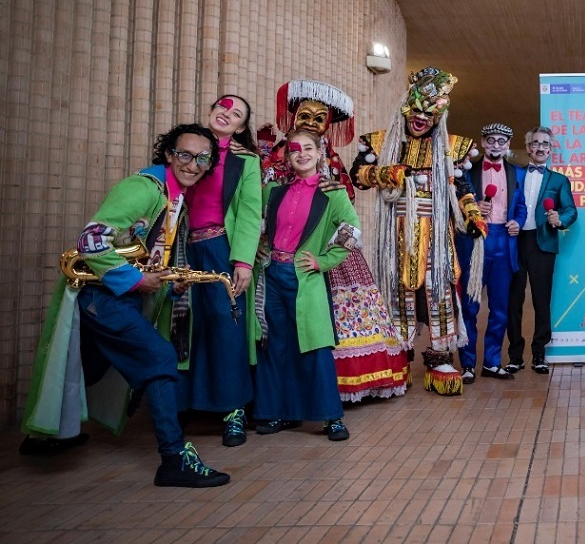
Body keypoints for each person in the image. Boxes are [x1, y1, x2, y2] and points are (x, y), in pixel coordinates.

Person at [21, 123, 231, 487]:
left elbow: (142, 252)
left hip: (115, 300)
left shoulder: (174, 196)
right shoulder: (142, 188)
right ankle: (173, 461)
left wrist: (168, 282)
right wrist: (135, 281)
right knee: (161, 358)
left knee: (89, 364)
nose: (193, 164)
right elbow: (91, 240)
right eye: (185, 154)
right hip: (103, 299)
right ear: (168, 154)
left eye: (202, 158)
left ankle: (43, 436)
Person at [265, 80, 408, 403]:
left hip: (320, 252)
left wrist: (326, 255)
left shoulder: (330, 166)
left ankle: (332, 391)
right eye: (306, 115)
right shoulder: (275, 157)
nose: (312, 124)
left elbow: (348, 214)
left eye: (320, 119)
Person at [352, 67, 485, 396]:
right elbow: (358, 175)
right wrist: (387, 173)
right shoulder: (383, 142)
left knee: (439, 293)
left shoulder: (452, 147)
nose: (421, 117)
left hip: (438, 237)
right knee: (398, 295)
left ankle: (440, 358)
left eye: (430, 112)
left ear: (439, 116)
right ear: (406, 106)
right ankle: (398, 356)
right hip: (396, 237)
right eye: (417, 110)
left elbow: (463, 189)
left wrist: (472, 216)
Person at [250, 129, 354, 441]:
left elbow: (352, 231)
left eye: (308, 148)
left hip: (305, 278)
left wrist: (324, 261)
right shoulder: (274, 192)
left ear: (320, 153)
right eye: (295, 149)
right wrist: (258, 251)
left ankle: (330, 417)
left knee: (315, 344)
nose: (301, 154)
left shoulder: (332, 193)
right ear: (286, 155)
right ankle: (280, 412)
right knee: (274, 344)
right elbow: (261, 229)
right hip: (271, 275)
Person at [181, 94, 261, 447]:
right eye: (222, 108)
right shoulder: (187, 148)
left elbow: (249, 212)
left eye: (237, 114)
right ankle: (184, 405)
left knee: (226, 328)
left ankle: (234, 411)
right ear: (211, 112)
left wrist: (242, 261)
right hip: (181, 247)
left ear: (242, 127)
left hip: (221, 248)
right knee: (183, 324)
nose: (227, 115)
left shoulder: (245, 161)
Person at [457, 123, 527, 382]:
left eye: (501, 141)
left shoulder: (517, 173)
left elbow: (521, 207)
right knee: (470, 307)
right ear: (483, 143)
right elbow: (454, 205)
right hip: (475, 243)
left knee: (500, 309)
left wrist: (518, 222)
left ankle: (492, 362)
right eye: (491, 140)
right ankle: (467, 364)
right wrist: (472, 210)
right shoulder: (466, 172)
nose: (496, 145)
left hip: (504, 242)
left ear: (508, 144)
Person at [505, 127, 578, 374]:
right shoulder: (515, 175)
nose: (540, 147)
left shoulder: (559, 180)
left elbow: (571, 210)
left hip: (543, 242)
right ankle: (515, 355)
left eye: (545, 144)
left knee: (541, 300)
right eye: (535, 143)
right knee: (513, 301)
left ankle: (539, 354)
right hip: (514, 242)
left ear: (550, 148)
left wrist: (560, 218)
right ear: (528, 148)